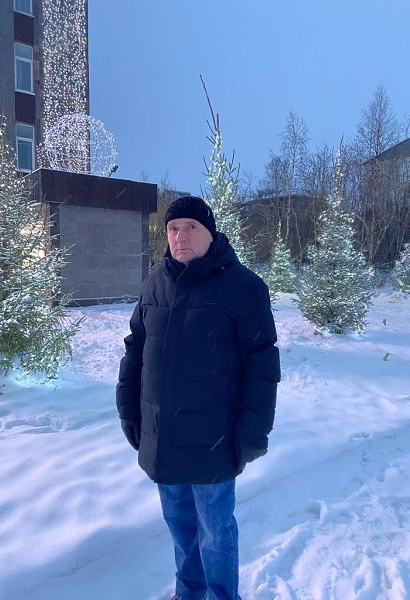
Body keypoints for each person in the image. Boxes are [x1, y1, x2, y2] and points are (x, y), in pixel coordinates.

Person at [116, 195, 281, 600]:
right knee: (180, 528)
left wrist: (253, 432)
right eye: (173, 229)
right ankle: (188, 592)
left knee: (215, 532)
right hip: (163, 437)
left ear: (211, 233)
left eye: (191, 227)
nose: (180, 236)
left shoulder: (243, 287)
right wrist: (129, 409)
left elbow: (262, 367)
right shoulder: (155, 283)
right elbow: (136, 350)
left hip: (214, 439)